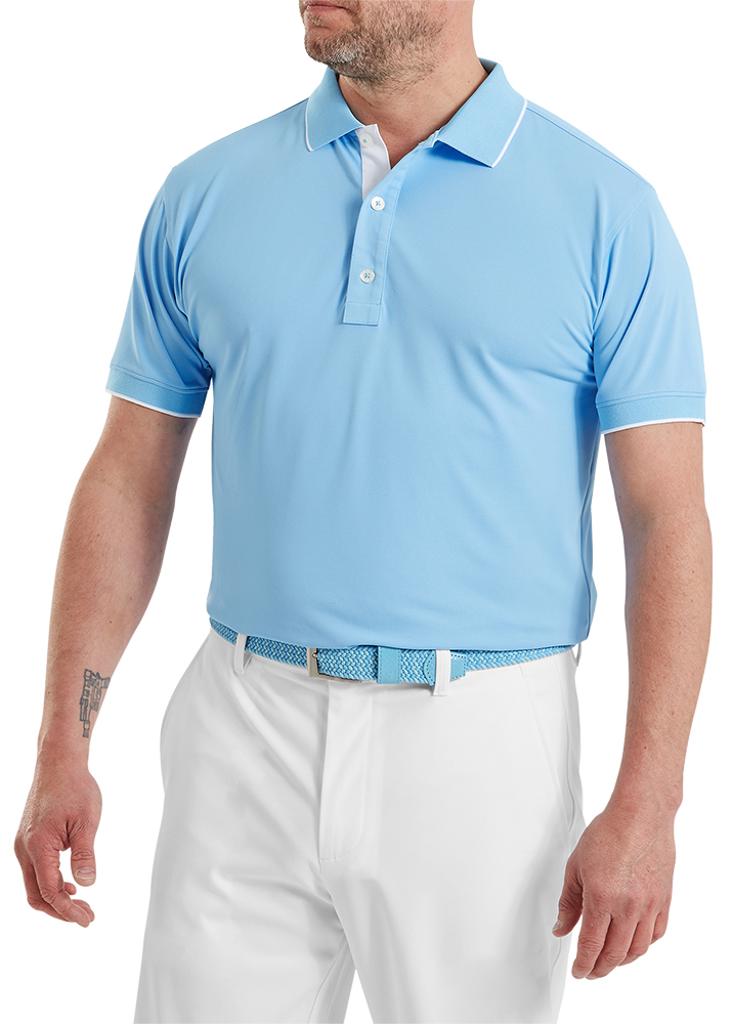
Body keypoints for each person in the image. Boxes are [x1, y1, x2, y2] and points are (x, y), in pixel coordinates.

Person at [14, 1, 712, 1022]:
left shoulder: (607, 210)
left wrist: (650, 801)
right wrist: (61, 748)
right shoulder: (206, 193)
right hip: (239, 728)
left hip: (482, 748)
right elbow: (128, 474)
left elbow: (666, 518)